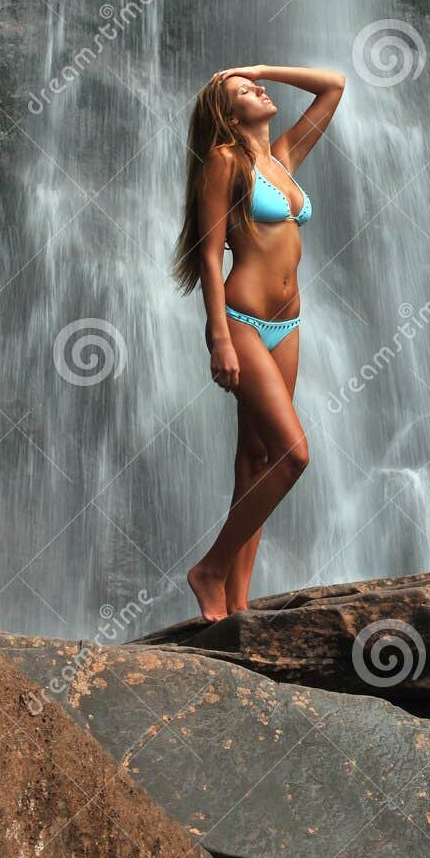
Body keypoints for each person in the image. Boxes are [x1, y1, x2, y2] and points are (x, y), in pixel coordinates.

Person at [173, 63, 345, 621]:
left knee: (259, 457)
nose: (260, 90)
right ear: (228, 115)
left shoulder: (283, 158)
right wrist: (218, 339)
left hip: (289, 324)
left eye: (257, 84)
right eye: (246, 90)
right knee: (294, 457)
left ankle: (240, 602)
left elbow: (333, 85)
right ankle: (210, 570)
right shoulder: (226, 161)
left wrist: (260, 66)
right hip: (243, 320)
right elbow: (207, 253)